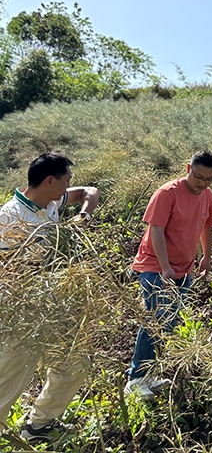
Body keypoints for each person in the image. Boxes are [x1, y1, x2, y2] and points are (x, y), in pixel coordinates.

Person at [0, 152, 99, 443]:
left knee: (75, 364)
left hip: (54, 306)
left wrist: (84, 215)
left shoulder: (52, 202)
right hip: (21, 313)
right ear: (48, 181)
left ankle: (38, 426)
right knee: (10, 377)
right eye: (66, 180)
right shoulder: (10, 217)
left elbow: (89, 192)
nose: (70, 185)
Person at [125, 151, 212, 401]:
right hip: (155, 265)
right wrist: (165, 267)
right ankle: (135, 379)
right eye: (198, 176)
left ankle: (150, 375)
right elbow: (156, 230)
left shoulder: (207, 195)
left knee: (170, 321)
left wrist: (206, 256)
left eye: (209, 179)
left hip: (184, 267)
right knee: (156, 318)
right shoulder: (167, 193)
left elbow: (207, 226)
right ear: (188, 168)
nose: (202, 183)